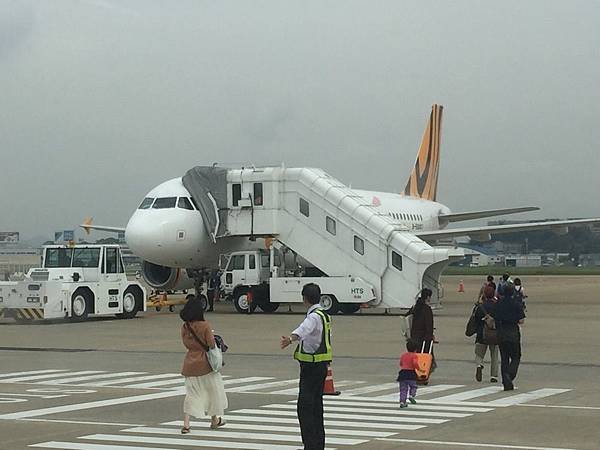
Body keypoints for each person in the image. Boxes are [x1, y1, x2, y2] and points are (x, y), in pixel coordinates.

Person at [280, 283, 332, 450]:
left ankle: (310, 445)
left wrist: (290, 339)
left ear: (305, 298)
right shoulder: (324, 315)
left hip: (311, 366)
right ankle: (318, 444)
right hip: (322, 366)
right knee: (317, 407)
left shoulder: (313, 317)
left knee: (305, 407)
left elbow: (303, 329)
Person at [179, 296, 228, 433]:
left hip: (189, 363)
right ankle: (214, 419)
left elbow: (186, 343)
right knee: (213, 392)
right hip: (205, 364)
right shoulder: (205, 325)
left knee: (191, 395)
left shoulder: (185, 326)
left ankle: (186, 424)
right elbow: (211, 344)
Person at [495, 282, 526, 391]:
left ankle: (506, 382)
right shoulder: (516, 303)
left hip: (501, 332)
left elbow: (495, 317)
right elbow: (521, 320)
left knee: (504, 358)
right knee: (516, 356)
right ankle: (510, 375)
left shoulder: (499, 303)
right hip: (513, 332)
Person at [404, 288, 436, 370]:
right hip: (423, 337)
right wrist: (430, 336)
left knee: (415, 354)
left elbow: (407, 316)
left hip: (414, 335)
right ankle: (423, 371)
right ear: (428, 297)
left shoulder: (416, 307)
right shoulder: (427, 309)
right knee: (425, 355)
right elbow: (429, 324)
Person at [474, 285, 499, 383]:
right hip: (494, 333)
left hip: (481, 333)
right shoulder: (497, 306)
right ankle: (494, 376)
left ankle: (479, 365)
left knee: (479, 353)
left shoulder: (480, 307)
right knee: (494, 355)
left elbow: (475, 319)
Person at [397, 339, 419, 408]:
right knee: (413, 386)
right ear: (415, 349)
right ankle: (411, 395)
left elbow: (401, 363)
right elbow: (415, 363)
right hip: (411, 373)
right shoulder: (414, 355)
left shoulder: (403, 355)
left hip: (403, 373)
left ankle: (402, 402)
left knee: (403, 389)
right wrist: (418, 368)